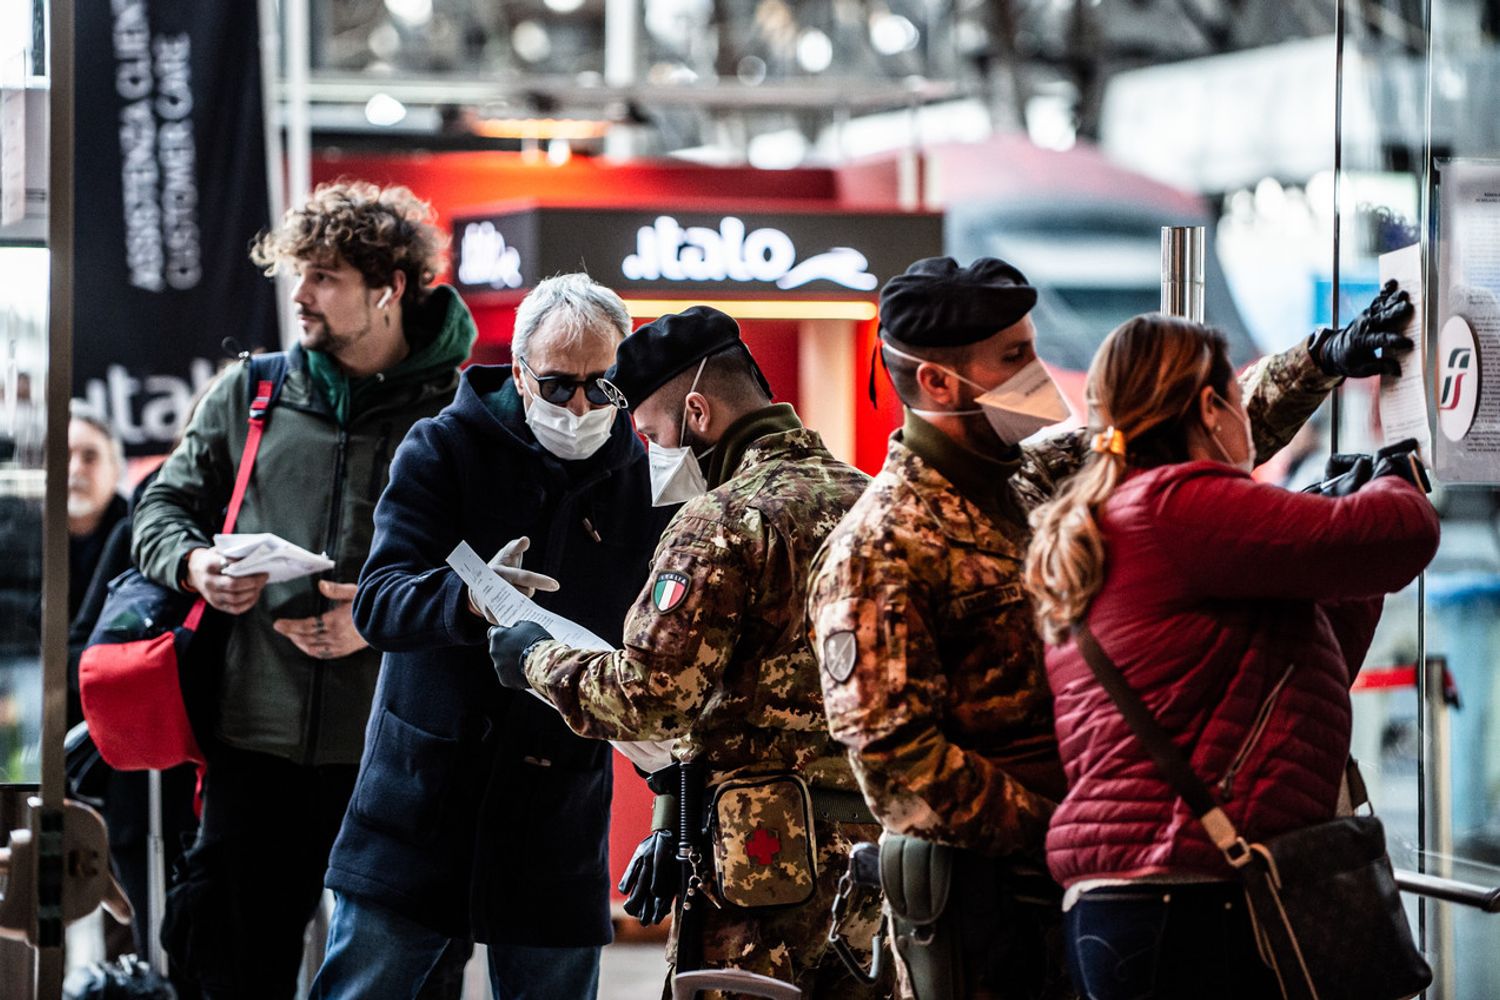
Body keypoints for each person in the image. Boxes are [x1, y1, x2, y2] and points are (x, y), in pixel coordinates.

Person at [805, 257, 1415, 999]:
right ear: (938, 382)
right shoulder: (878, 548)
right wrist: (1064, 827)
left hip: (1106, 871)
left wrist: (1322, 360)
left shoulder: (1033, 476)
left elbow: (1177, 427)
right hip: (996, 909)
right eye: (1013, 357)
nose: (1036, 374)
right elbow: (899, 769)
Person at [1022, 314, 1439, 1000]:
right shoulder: (1174, 503)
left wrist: (1346, 553)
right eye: (1239, 402)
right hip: (1194, 900)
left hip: (1141, 904)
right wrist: (1397, 484)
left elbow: (1299, 668)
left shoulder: (1111, 518)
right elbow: (1399, 537)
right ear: (1212, 408)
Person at [130, 180, 474, 999]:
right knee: (231, 968)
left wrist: (382, 619)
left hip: (398, 751)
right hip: (254, 743)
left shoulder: (460, 413)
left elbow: (495, 570)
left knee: (405, 977)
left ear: (389, 289)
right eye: (298, 273)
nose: (300, 294)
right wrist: (196, 566)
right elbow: (160, 506)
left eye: (324, 277)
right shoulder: (254, 392)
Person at [486, 306, 887, 997]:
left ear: (696, 412)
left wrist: (535, 658)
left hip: (760, 868)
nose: (653, 453)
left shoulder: (722, 520)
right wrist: (673, 817)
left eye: (652, 435)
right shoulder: (869, 499)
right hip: (872, 865)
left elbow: (649, 698)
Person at [310, 272, 668, 1000]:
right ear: (520, 372)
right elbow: (378, 603)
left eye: (602, 387)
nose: (580, 407)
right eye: (559, 385)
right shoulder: (444, 448)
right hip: (424, 791)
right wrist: (465, 599)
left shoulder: (644, 479)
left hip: (556, 806)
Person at [65, 404, 128, 725]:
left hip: (114, 711)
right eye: (62, 456)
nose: (75, 469)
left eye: (90, 457)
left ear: (115, 470)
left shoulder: (139, 537)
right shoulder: (14, 533)